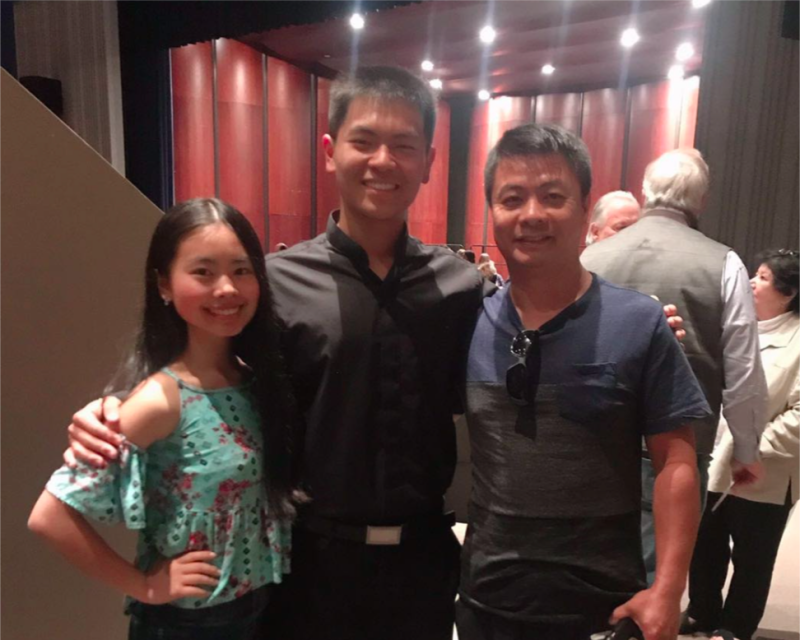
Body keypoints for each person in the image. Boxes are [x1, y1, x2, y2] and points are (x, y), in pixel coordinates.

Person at [62, 66, 488, 640]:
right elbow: (209, 373)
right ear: (331, 151)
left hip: (423, 565)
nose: (383, 161)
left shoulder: (460, 287)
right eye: (364, 141)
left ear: (430, 161)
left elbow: (528, 344)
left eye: (404, 145)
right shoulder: (275, 284)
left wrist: (649, 321)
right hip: (307, 565)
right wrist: (114, 406)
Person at [456, 124, 711, 640]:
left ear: (583, 207)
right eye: (512, 198)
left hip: (604, 608)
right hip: (487, 601)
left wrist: (668, 589)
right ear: (492, 210)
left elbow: (676, 462)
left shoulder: (638, 322)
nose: (531, 214)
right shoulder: (466, 321)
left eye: (552, 196)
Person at [28, 199, 297, 639]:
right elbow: (50, 516)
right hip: (187, 624)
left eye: (241, 270)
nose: (227, 289)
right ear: (164, 285)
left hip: (257, 610)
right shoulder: (160, 399)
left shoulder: (255, 381)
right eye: (203, 272)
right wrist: (145, 586)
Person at [581, 149, 767, 583]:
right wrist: (746, 449)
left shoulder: (589, 260)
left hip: (592, 443)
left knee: (589, 567)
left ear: (644, 193)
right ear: (701, 202)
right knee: (653, 578)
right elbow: (742, 370)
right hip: (677, 450)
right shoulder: (724, 263)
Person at [682, 249, 799, 640]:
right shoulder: (734, 326)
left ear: (789, 294)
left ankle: (734, 628)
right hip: (716, 462)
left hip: (765, 472)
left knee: (752, 557)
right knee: (704, 546)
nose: (751, 282)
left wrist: (755, 446)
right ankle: (701, 613)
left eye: (763, 278)